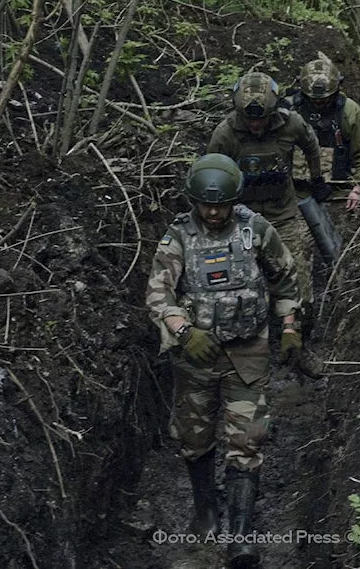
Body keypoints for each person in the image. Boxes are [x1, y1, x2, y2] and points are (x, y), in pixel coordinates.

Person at [145, 153, 302, 568]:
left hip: (247, 350)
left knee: (247, 439)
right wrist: (183, 331)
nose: (213, 212)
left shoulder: (256, 231)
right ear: (193, 201)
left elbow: (284, 277)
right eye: (205, 204)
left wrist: (289, 327)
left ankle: (242, 535)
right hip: (196, 354)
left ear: (234, 200)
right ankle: (205, 511)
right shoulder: (177, 237)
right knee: (194, 438)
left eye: (220, 204)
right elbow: (158, 294)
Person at [208, 72, 326, 377]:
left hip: (282, 213)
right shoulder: (225, 135)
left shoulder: (292, 124)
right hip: (241, 218)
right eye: (249, 120)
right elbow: (212, 178)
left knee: (298, 276)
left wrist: (316, 180)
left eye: (262, 120)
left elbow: (311, 145)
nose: (256, 125)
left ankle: (299, 344)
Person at [289, 56, 360, 212]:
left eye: (324, 100)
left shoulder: (349, 111)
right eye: (313, 100)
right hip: (292, 193)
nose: (318, 104)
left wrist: (357, 188)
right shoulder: (289, 110)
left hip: (337, 194)